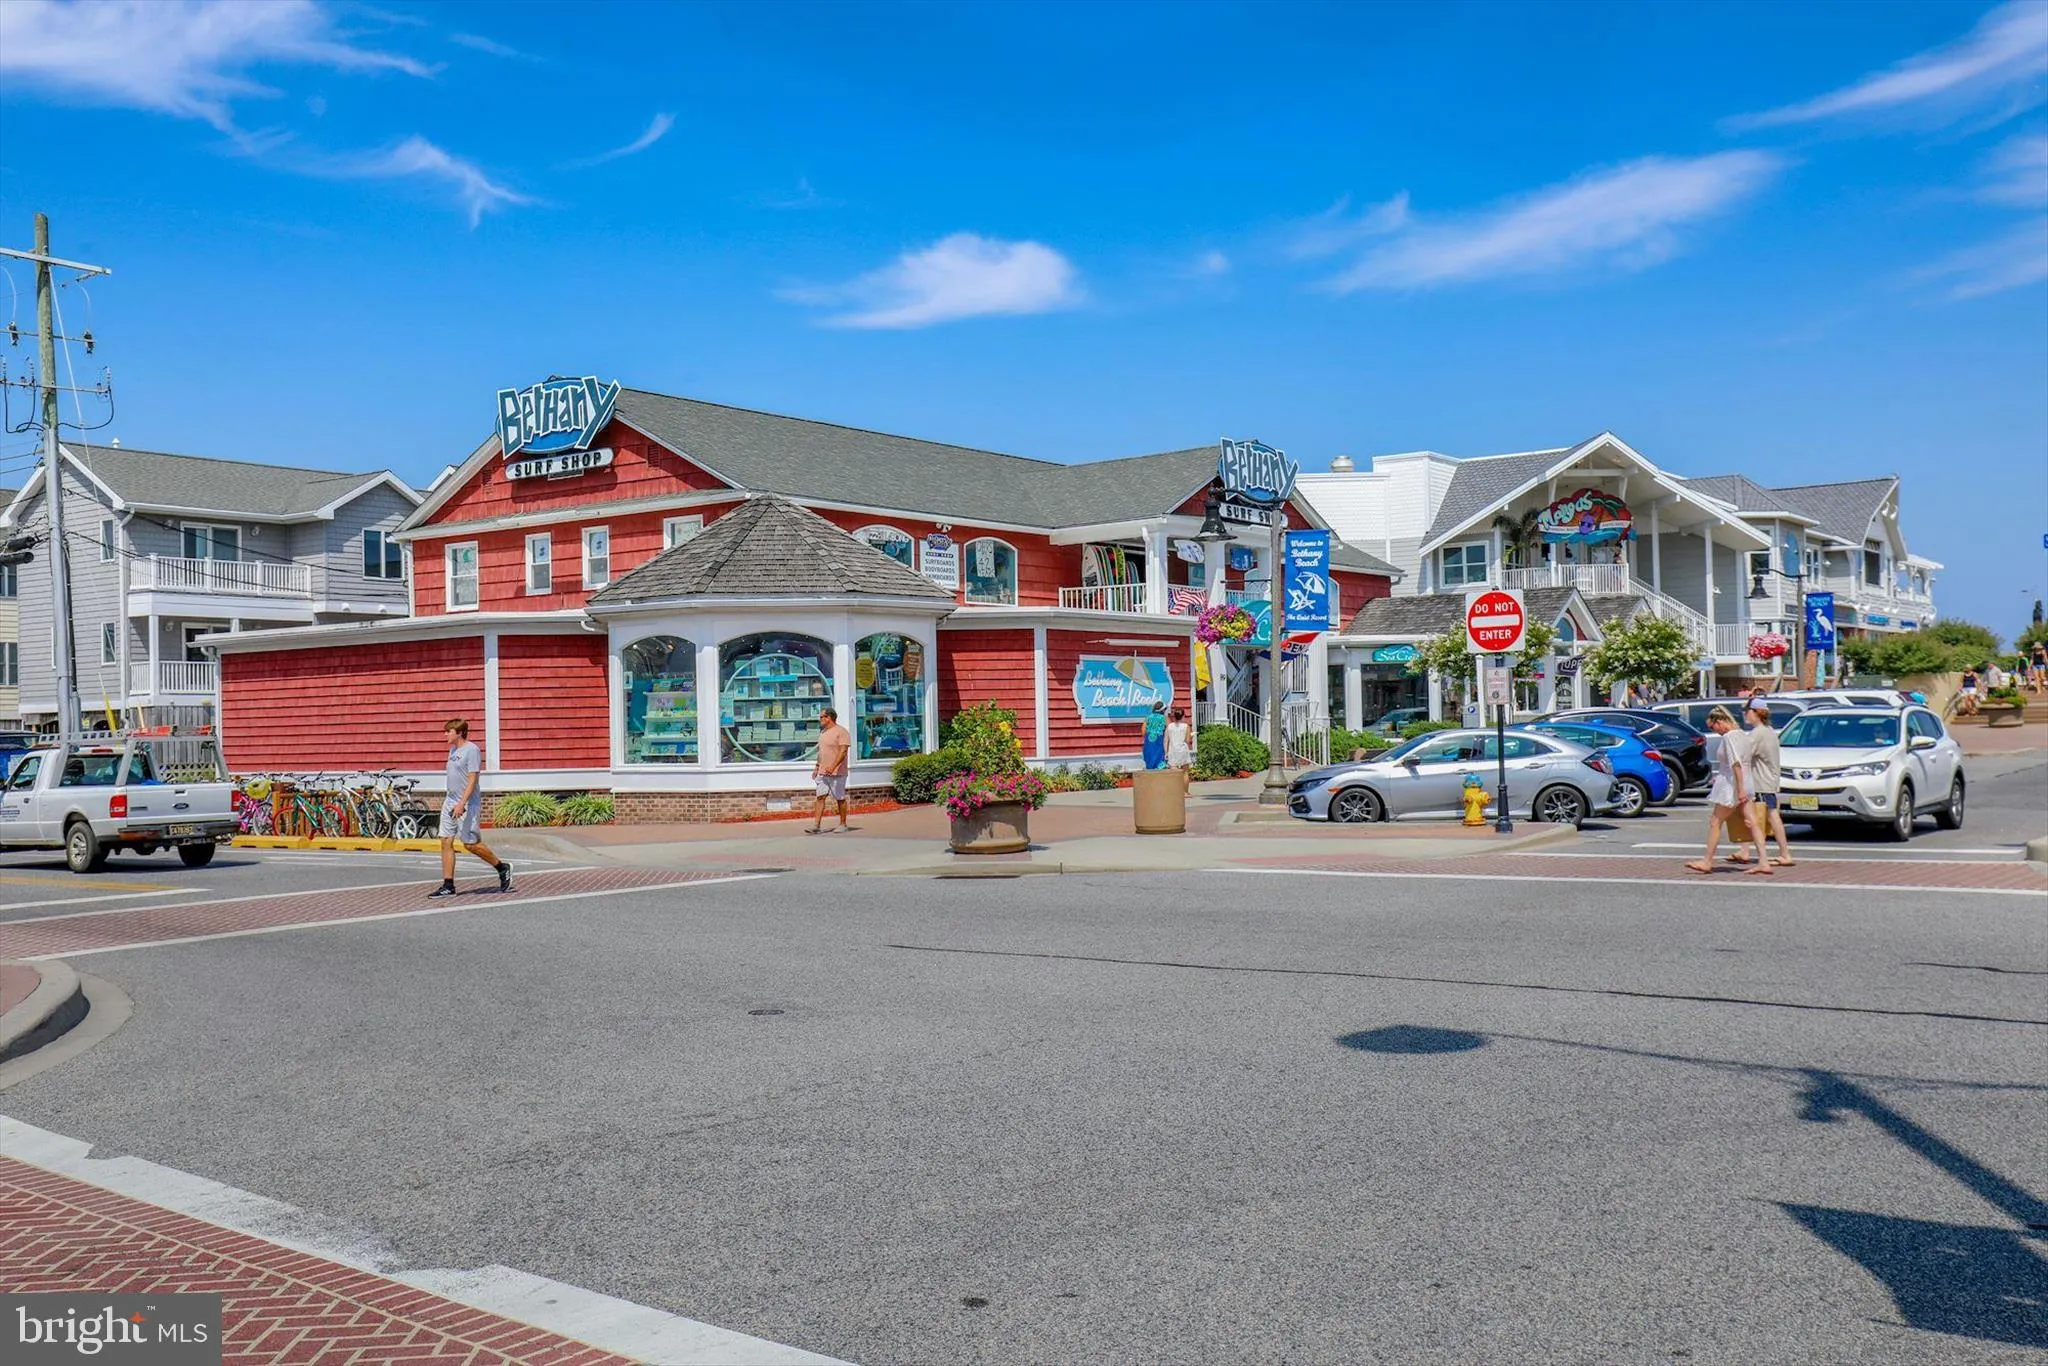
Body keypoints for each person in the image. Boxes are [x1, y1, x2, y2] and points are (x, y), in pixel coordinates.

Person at [1687, 706, 1771, 876]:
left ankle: (1707, 861)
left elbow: (1736, 763)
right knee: (1753, 822)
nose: (1714, 731)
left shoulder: (1729, 737)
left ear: (1720, 722)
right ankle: (1764, 861)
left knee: (1716, 821)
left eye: (1712, 727)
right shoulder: (1742, 734)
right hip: (1746, 780)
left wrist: (1739, 788)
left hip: (1732, 783)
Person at [432, 719, 511, 898]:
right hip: (450, 800)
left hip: (466, 803)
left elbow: (472, 779)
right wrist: (453, 801)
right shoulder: (453, 750)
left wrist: (462, 803)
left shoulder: (472, 750)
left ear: (459, 733)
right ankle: (448, 885)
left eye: (448, 731)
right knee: (445, 840)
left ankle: (501, 867)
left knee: (470, 844)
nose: (445, 734)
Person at [1728, 697, 1794, 868]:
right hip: (1766, 781)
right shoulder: (1768, 730)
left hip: (1762, 783)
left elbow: (1743, 753)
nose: (1745, 715)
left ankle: (1785, 854)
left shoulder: (1758, 733)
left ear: (1756, 713)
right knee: (1753, 815)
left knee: (1770, 816)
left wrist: (1734, 734)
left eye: (1747, 712)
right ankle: (1745, 850)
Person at [809, 706, 852, 833]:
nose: (820, 719)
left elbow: (843, 751)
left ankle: (843, 824)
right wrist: (817, 767)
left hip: (837, 772)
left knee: (840, 798)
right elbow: (821, 752)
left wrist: (833, 766)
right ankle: (816, 825)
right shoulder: (823, 733)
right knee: (820, 797)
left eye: (822, 717)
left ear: (829, 718)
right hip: (822, 772)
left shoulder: (841, 732)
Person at [1163, 707, 1196, 790]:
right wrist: (1191, 735)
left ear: (1174, 716)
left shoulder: (1169, 726)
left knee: (1174, 773)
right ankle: (1185, 792)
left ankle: (1175, 792)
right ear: (1183, 716)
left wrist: (1166, 752)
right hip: (1183, 750)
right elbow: (1188, 741)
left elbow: (1166, 740)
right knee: (1185, 773)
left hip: (1173, 751)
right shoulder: (1186, 726)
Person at [1142, 701, 1168, 770]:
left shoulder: (1148, 718)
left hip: (1149, 744)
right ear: (1162, 710)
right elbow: (1169, 731)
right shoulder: (1164, 718)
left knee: (1150, 764)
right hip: (1160, 744)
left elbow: (1143, 732)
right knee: (1160, 765)